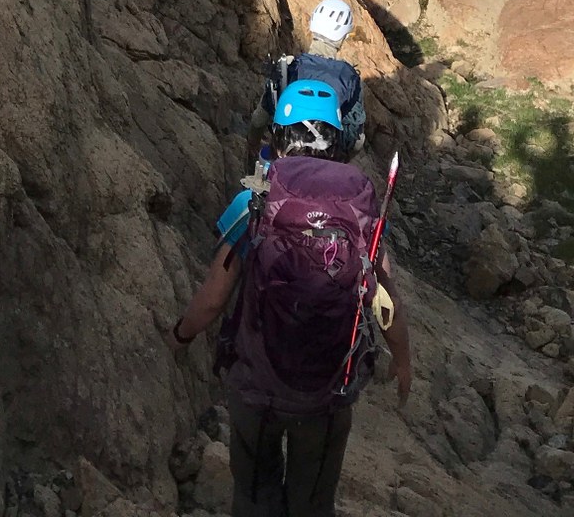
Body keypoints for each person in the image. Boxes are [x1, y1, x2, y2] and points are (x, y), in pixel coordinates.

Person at [169, 81, 412, 517]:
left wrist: (181, 337)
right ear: (338, 143)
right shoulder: (359, 210)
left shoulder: (255, 200)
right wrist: (403, 357)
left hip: (256, 387)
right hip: (328, 391)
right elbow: (384, 297)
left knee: (253, 495)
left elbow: (213, 297)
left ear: (278, 139)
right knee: (313, 503)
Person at [253, 0, 366, 156]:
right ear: (345, 36)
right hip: (326, 157)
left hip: (284, 151)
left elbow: (259, 118)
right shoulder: (350, 78)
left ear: (312, 26)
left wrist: (252, 148)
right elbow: (356, 137)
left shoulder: (289, 67)